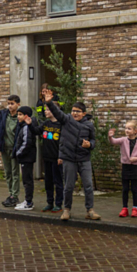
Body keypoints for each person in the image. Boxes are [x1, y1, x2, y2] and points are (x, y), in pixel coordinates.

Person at [42, 89, 101, 221]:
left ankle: (90, 210)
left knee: (88, 186)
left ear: (84, 113)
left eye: (78, 111)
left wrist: (89, 145)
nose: (74, 113)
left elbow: (93, 141)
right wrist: (49, 102)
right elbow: (57, 113)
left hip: (84, 159)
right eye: (73, 110)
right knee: (68, 186)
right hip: (69, 159)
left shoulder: (89, 125)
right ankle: (66, 210)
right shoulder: (66, 120)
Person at [109, 121, 137, 218]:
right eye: (126, 128)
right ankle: (124, 208)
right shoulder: (123, 140)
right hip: (125, 167)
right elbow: (113, 141)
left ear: (135, 131)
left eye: (129, 128)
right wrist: (110, 136)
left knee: (134, 189)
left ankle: (135, 208)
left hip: (134, 168)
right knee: (125, 189)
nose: (126, 130)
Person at [37, 107, 64, 212]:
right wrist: (29, 124)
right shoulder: (46, 124)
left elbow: (64, 142)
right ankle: (49, 202)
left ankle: (58, 204)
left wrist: (61, 156)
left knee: (58, 181)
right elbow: (36, 131)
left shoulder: (61, 125)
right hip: (46, 157)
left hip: (57, 158)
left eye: (48, 109)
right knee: (48, 181)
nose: (45, 111)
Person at [12, 106, 38, 211]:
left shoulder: (26, 127)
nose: (18, 117)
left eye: (20, 114)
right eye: (18, 114)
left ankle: (28, 202)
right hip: (26, 158)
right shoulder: (23, 126)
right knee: (26, 180)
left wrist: (18, 153)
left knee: (27, 181)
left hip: (27, 158)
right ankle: (27, 200)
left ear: (26, 116)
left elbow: (27, 142)